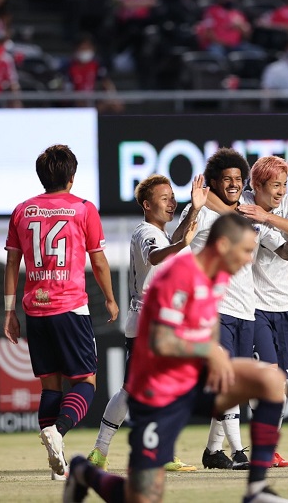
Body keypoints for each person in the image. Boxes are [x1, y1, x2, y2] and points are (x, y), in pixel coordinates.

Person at [64, 213, 288, 503]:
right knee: (141, 497)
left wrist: (213, 353)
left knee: (270, 381)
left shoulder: (219, 276)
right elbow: (159, 341)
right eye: (247, 251)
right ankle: (82, 472)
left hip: (193, 382)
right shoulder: (178, 275)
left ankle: (257, 491)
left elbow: (207, 321)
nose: (250, 260)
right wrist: (208, 351)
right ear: (224, 244)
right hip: (156, 394)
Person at [173, 148, 288, 470]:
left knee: (236, 383)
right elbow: (180, 240)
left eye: (237, 178)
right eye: (227, 179)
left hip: (247, 311)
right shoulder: (212, 210)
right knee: (231, 380)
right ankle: (239, 453)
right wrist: (194, 208)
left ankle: (213, 450)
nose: (234, 184)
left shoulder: (245, 217)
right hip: (218, 309)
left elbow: (285, 249)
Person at [3, 144, 119, 480]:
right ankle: (58, 432)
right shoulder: (83, 209)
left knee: (50, 387)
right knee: (86, 382)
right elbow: (97, 260)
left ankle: (58, 466)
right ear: (71, 176)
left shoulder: (22, 210)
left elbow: (13, 263)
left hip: (35, 311)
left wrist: (9, 311)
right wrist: (110, 298)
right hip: (70, 307)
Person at [87, 174, 205, 473]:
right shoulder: (146, 233)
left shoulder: (158, 232)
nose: (171, 202)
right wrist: (181, 244)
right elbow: (155, 256)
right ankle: (158, 452)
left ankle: (102, 450)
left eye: (171, 197)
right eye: (164, 198)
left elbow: (176, 237)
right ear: (146, 204)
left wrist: (194, 208)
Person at [236, 156, 288, 468]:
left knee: (281, 384)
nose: (281, 191)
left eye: (284, 184)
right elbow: (282, 249)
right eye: (275, 185)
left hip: (287, 305)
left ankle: (264, 450)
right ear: (258, 186)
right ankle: (258, 450)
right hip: (255, 306)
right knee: (269, 379)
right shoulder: (244, 204)